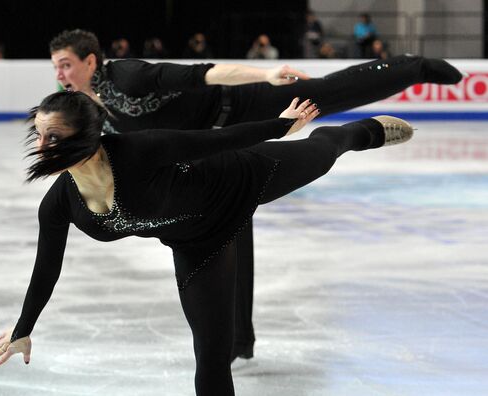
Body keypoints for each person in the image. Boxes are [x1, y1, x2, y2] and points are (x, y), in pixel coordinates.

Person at [47, 29, 463, 361]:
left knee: (327, 92)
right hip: (210, 154)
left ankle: (412, 66)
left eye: (66, 65)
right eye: (56, 68)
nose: (61, 75)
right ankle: (239, 340)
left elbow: (204, 74)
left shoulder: (127, 76)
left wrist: (263, 76)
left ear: (90, 61)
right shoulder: (85, 110)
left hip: (242, 107)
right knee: (228, 228)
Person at [0, 90, 414, 396]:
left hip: (241, 176)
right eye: (39, 136)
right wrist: (24, 330)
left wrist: (282, 126)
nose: (41, 147)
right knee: (211, 353)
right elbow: (47, 267)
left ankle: (359, 132)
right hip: (198, 243)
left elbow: (215, 140)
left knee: (323, 152)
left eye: (54, 137)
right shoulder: (59, 202)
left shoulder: (137, 151)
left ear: (87, 135)